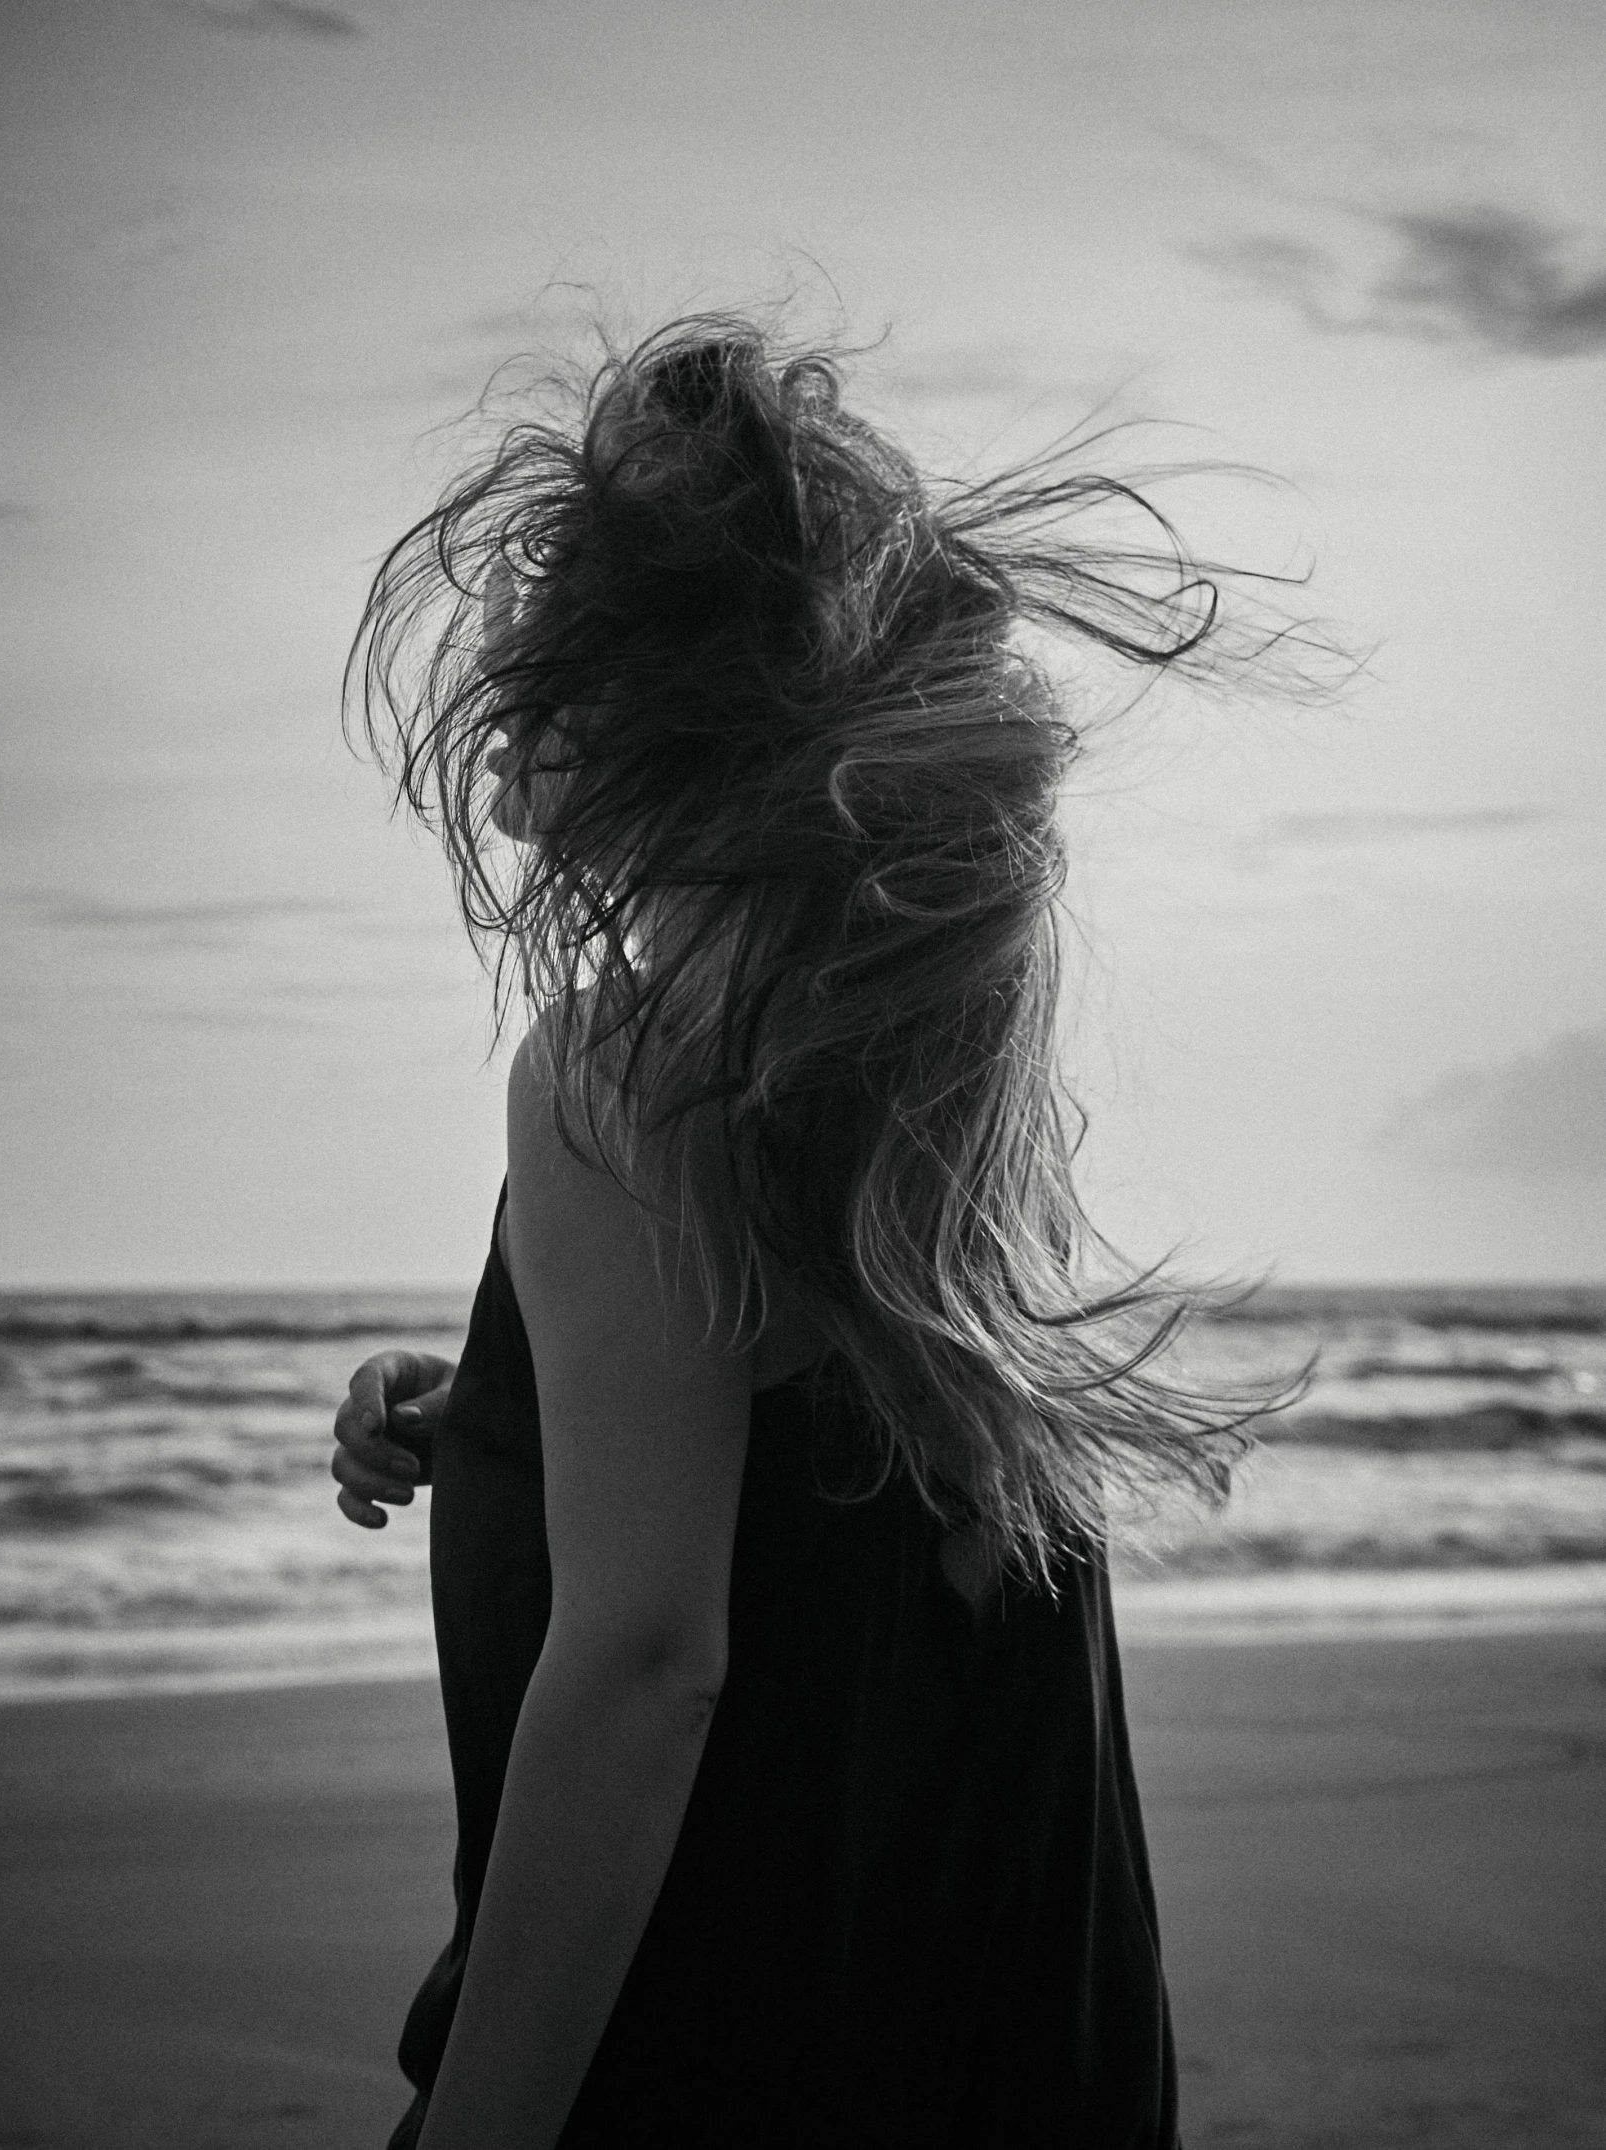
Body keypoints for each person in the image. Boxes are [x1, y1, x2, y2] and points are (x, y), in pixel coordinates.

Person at [329, 318, 1290, 2149]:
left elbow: (646, 1667)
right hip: (981, 2036)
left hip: (729, 2020)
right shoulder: (897, 1073)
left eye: (548, 622)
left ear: (642, 704)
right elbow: (802, 1491)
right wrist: (515, 1418)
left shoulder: (623, 1066)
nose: (507, 671)